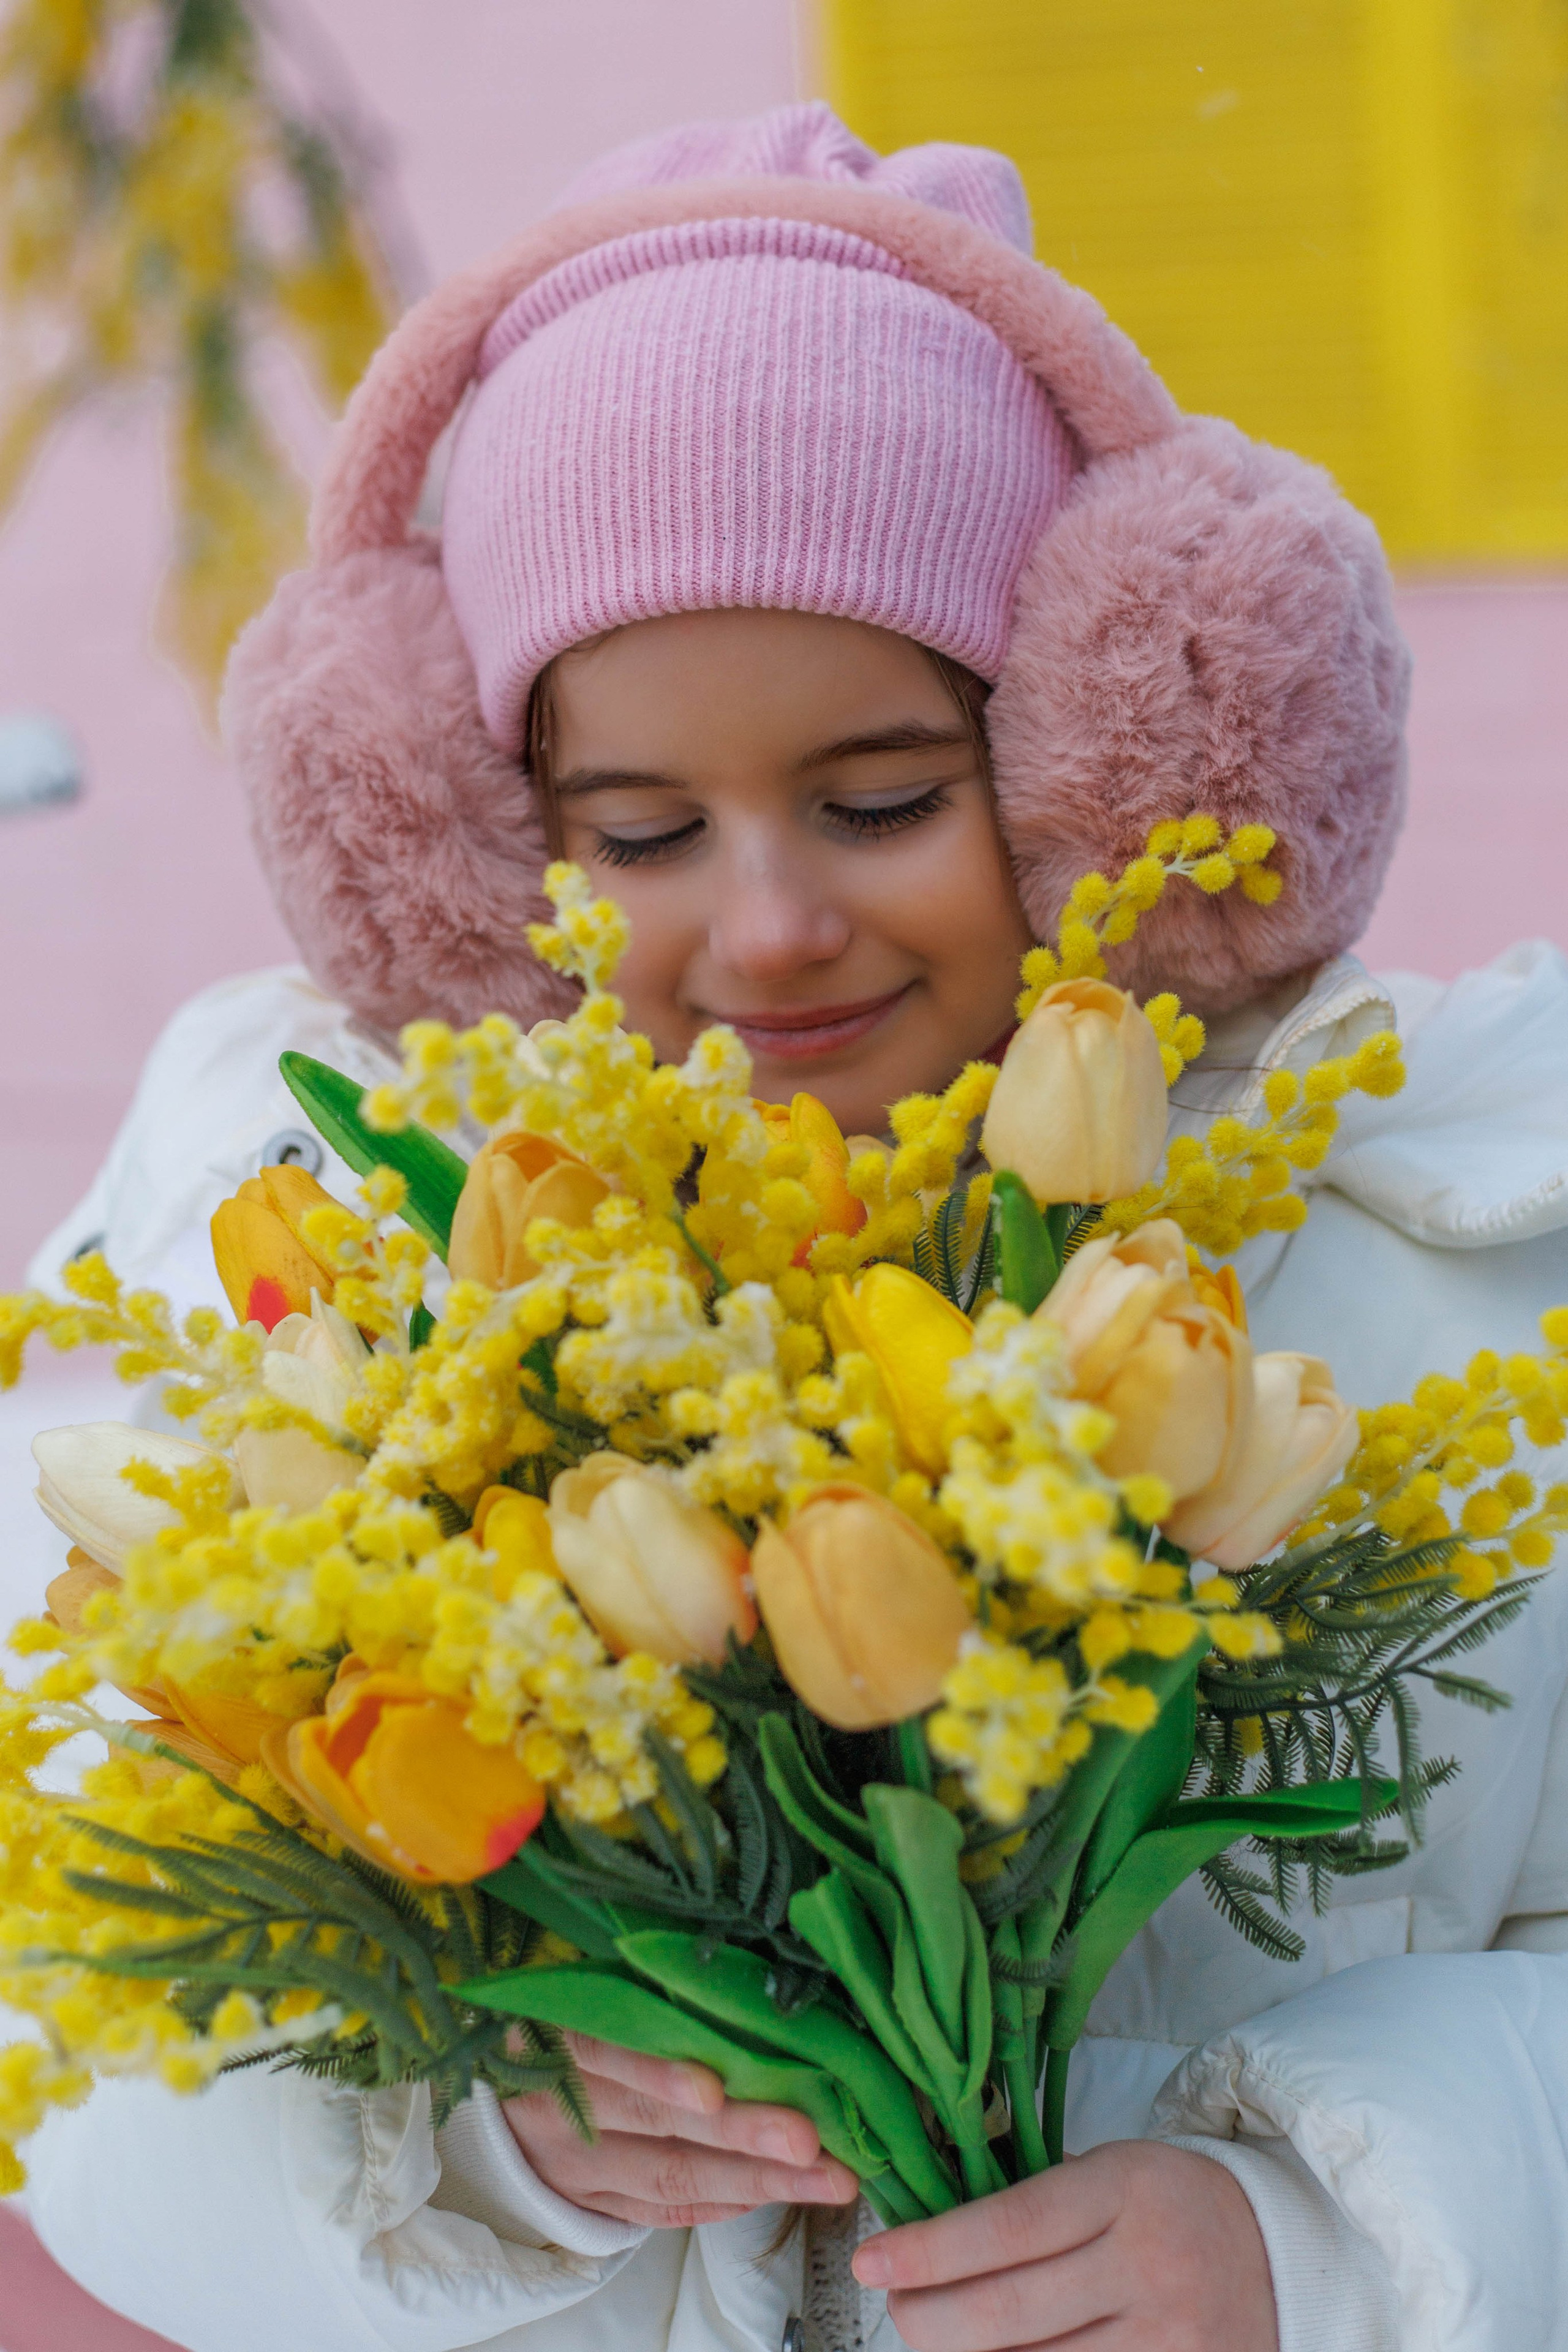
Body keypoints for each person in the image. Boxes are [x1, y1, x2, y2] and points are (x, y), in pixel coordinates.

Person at [17, 100, 1568, 2352]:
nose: (766, 928)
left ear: (1095, 763)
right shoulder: (309, 1296)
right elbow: (72, 2001)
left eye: (880, 800)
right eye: (636, 832)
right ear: (465, 848)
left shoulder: (1429, 1267)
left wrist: (1332, 2236)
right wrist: (481, 2139)